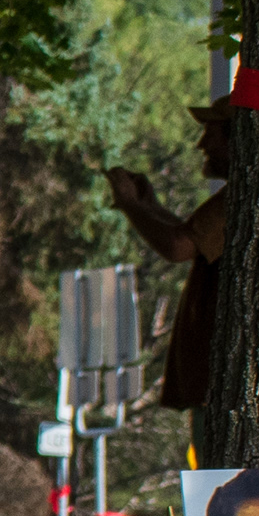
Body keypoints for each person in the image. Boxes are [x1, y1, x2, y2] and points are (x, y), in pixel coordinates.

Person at [105, 101, 232, 410]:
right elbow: (195, 241)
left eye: (210, 133)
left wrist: (130, 205)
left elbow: (179, 247)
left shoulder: (237, 199)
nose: (201, 144)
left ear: (239, 138)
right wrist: (150, 207)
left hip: (216, 392)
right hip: (215, 390)